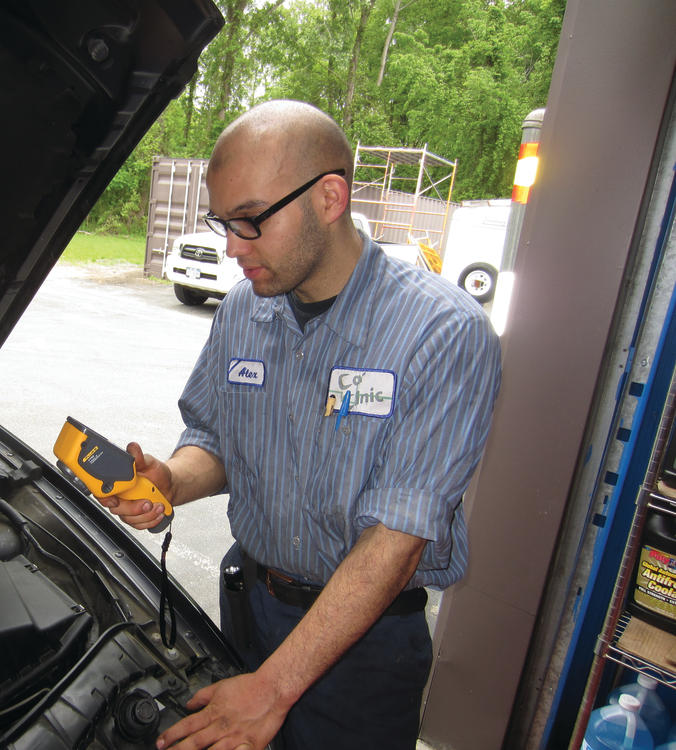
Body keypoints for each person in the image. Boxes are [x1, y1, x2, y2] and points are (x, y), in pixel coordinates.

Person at [99, 100, 502, 749]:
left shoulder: (442, 332)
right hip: (247, 605)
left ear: (329, 197)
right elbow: (215, 441)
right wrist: (169, 480)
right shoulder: (243, 309)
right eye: (223, 222)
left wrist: (273, 688)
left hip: (361, 649)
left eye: (251, 220)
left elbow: (395, 541)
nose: (233, 247)